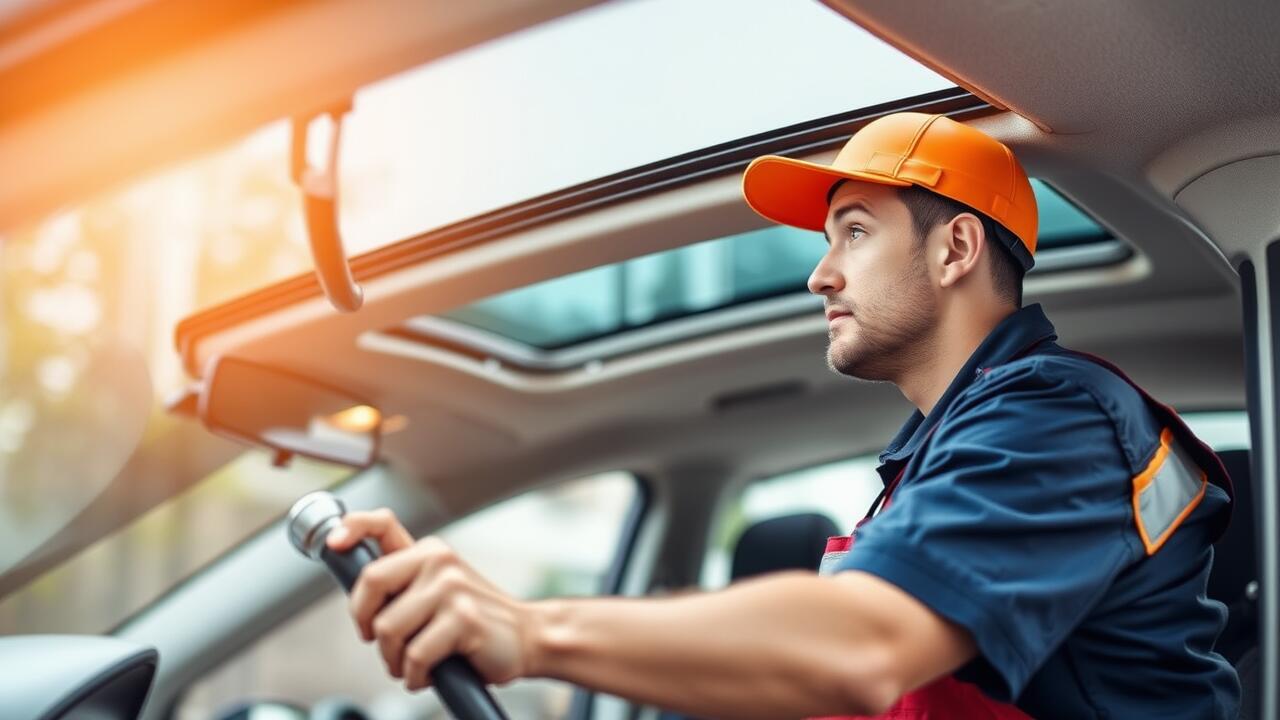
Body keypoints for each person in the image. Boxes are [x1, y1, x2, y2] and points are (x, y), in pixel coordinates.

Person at [325, 112, 1240, 718]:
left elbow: (866, 647)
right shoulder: (941, 460)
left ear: (956, 247)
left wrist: (529, 632)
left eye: (855, 231)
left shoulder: (1056, 418)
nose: (819, 275)